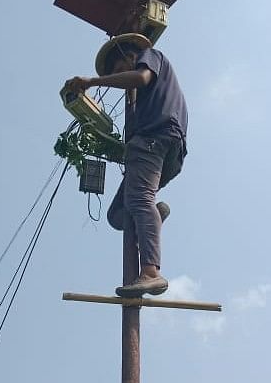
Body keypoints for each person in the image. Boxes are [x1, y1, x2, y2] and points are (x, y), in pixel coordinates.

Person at [63, 33, 188, 298]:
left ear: (131, 56)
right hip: (165, 149)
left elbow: (141, 77)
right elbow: (131, 133)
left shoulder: (150, 58)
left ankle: (151, 273)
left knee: (140, 200)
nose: (121, 78)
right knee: (118, 214)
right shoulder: (145, 101)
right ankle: (155, 215)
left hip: (156, 139)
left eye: (120, 70)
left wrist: (93, 81)